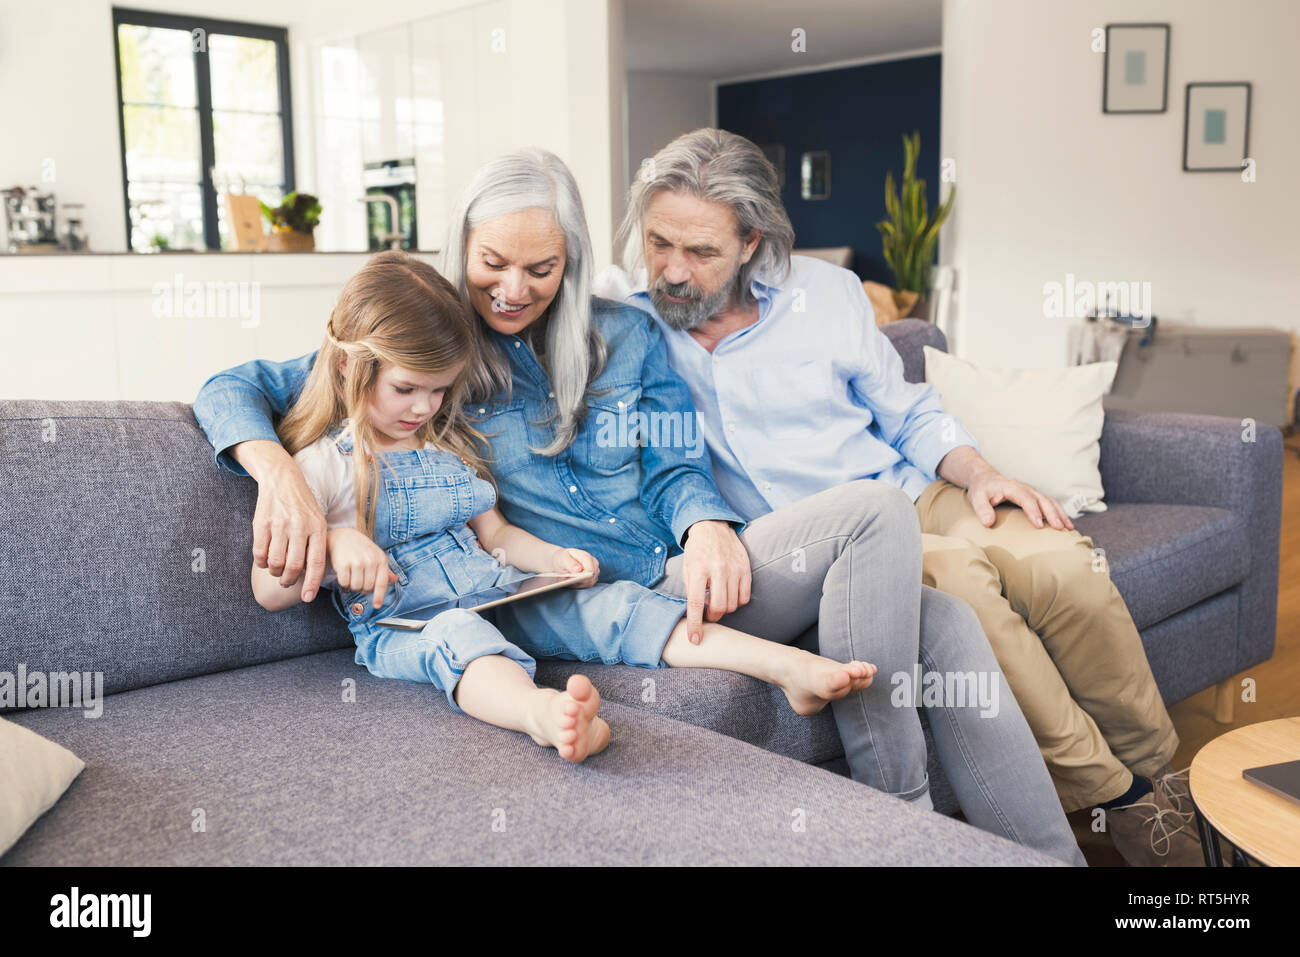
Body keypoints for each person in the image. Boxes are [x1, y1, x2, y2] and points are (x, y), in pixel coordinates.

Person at [193, 148, 1084, 865]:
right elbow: (241, 383)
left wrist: (703, 524)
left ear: (572, 258)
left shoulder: (625, 334)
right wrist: (274, 470)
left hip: (679, 570)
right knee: (908, 565)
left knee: (935, 603)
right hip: (579, 596)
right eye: (492, 263)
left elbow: (672, 464)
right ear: (461, 249)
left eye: (540, 267)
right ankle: (900, 818)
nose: (512, 289)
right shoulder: (434, 353)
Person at [597, 126, 1197, 866]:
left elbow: (907, 409)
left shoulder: (827, 293)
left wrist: (981, 473)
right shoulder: (626, 326)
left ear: (752, 242)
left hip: (910, 490)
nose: (673, 272)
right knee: (965, 588)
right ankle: (1119, 801)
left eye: (701, 252)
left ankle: (1162, 775)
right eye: (659, 243)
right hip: (836, 549)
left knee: (1065, 562)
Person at [248, 251, 876, 763]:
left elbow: (494, 532)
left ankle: (786, 667)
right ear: (354, 371)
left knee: (614, 607)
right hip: (405, 623)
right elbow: (268, 592)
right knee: (461, 639)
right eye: (406, 389)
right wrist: (336, 542)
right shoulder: (325, 464)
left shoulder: (449, 442)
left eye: (440, 391)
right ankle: (544, 715)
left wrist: (551, 558)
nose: (423, 408)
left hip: (496, 587)